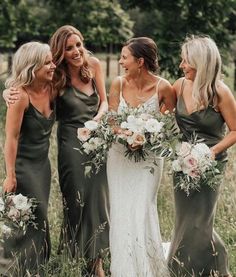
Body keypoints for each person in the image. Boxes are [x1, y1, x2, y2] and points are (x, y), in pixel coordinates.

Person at [3, 25, 110, 276]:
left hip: (83, 145)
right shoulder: (56, 78)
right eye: (68, 48)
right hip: (62, 147)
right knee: (59, 205)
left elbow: (104, 100)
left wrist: (98, 120)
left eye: (78, 45)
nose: (76, 51)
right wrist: (8, 91)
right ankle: (27, 263)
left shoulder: (82, 70)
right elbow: (14, 128)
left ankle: (90, 260)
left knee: (94, 202)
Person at [167, 35, 236, 277]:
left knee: (201, 221)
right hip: (182, 163)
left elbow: (235, 130)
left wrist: (211, 151)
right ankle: (183, 268)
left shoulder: (220, 92)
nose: (181, 66)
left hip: (211, 164)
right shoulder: (178, 85)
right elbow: (165, 119)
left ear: (202, 63)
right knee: (185, 220)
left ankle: (217, 268)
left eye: (186, 61)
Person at [107, 37, 176, 277]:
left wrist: (147, 136)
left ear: (140, 61)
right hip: (118, 157)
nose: (120, 61)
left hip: (149, 159)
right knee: (122, 209)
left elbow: (168, 126)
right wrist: (125, 134)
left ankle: (149, 268)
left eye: (124, 57)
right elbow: (112, 120)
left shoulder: (164, 87)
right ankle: (124, 269)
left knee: (142, 207)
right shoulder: (117, 83)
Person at [2, 41, 56, 276]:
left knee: (40, 217)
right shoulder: (20, 97)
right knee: (22, 219)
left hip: (43, 167)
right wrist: (10, 175)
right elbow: (11, 139)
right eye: (47, 62)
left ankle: (36, 267)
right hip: (23, 168)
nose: (53, 66)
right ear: (32, 67)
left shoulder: (53, 88)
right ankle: (10, 268)